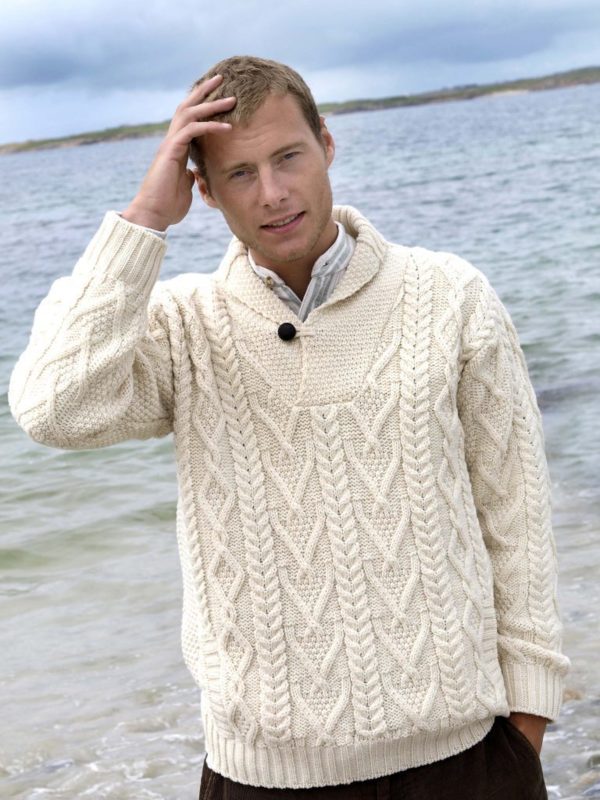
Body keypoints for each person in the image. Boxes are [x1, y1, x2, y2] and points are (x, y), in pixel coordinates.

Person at [8, 55, 570, 799]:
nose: (272, 193)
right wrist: (143, 220)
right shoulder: (182, 327)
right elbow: (54, 406)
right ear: (203, 190)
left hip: (464, 762)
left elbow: (516, 517)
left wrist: (527, 727)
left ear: (326, 144)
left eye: (288, 157)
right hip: (260, 778)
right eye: (240, 173)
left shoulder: (451, 297)